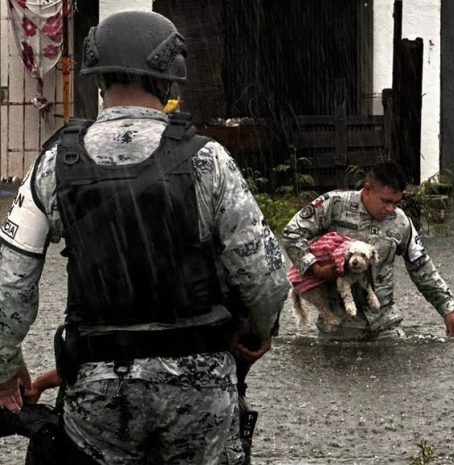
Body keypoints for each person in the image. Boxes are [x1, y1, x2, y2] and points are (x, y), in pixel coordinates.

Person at [0, 10, 289, 465]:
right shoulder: (208, 161)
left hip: (98, 399)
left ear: (98, 80)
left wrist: (5, 368)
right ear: (169, 82)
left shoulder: (55, 163)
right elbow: (267, 280)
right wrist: (256, 332)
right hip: (203, 394)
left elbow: (8, 290)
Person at [282, 161, 454, 339]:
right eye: (386, 201)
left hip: (385, 323)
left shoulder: (401, 222)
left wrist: (447, 308)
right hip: (341, 324)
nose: (390, 209)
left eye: (396, 203)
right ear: (367, 190)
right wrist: (316, 269)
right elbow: (292, 233)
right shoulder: (334, 206)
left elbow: (421, 265)